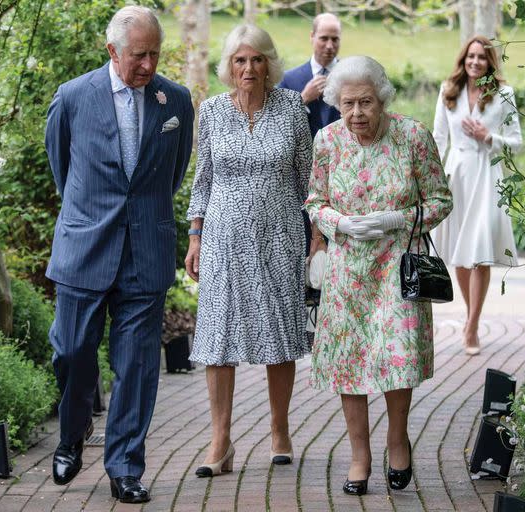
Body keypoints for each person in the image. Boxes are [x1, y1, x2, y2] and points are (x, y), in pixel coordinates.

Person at [44, 6, 193, 504]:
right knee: (71, 351)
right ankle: (73, 432)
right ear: (112, 51)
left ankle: (125, 466)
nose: (148, 64)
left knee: (137, 367)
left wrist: (143, 219)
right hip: (85, 248)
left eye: (155, 53)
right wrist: (92, 215)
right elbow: (62, 170)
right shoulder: (72, 98)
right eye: (138, 55)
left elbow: (172, 174)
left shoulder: (176, 101)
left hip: (144, 253)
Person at [305, 56, 452, 496]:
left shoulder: (412, 137)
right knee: (350, 363)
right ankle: (359, 455)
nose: (357, 115)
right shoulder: (328, 141)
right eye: (347, 104)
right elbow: (314, 202)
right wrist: (340, 224)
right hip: (348, 273)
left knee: (397, 357)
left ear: (382, 98)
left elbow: (441, 201)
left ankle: (397, 439)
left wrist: (396, 219)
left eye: (366, 103)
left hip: (396, 266)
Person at [184, 24, 312, 478]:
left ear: (269, 63)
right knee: (217, 336)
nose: (249, 68)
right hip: (222, 236)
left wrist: (315, 235)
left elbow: (307, 178)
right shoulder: (213, 110)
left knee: (278, 333)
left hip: (280, 235)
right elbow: (204, 179)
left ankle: (280, 430)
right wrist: (195, 235)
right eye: (240, 60)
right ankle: (220, 440)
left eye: (257, 59)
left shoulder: (293, 107)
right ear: (229, 66)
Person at [430, 35, 522, 356]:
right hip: (457, 175)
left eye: (481, 58)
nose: (475, 62)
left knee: (479, 252)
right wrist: (431, 177)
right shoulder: (448, 91)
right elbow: (439, 138)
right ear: (463, 59)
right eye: (471, 56)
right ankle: (471, 316)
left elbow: (516, 142)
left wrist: (488, 136)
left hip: (486, 174)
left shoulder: (504, 94)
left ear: (490, 62)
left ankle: (471, 327)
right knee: (458, 252)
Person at [280, 12, 342, 257]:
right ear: (312, 37)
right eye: (324, 38)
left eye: (335, 39)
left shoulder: (352, 76)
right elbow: (277, 126)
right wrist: (302, 99)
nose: (329, 45)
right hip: (301, 177)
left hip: (342, 175)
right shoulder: (290, 79)